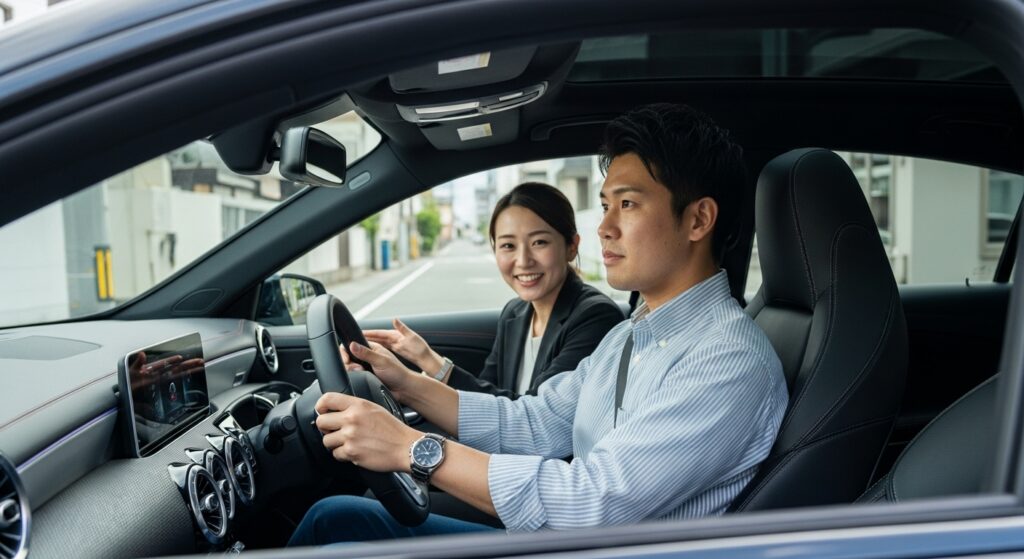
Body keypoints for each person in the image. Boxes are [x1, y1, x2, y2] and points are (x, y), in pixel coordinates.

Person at [289, 103, 789, 546]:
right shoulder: (632, 333)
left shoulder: (727, 360)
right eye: (607, 204)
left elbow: (591, 503)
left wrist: (409, 448)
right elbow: (536, 422)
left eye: (629, 204)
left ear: (698, 220)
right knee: (333, 519)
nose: (604, 226)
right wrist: (410, 385)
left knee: (333, 526)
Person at [358, 182, 623, 400]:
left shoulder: (595, 317)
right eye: (508, 246)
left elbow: (536, 417)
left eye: (539, 242)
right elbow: (486, 398)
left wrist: (421, 371)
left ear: (571, 246)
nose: (523, 260)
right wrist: (421, 362)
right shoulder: (515, 313)